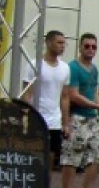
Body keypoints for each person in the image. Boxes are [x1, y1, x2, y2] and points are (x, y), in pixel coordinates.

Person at [59, 33, 99, 188]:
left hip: (93, 118)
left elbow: (93, 91)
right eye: (87, 46)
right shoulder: (73, 68)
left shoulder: (94, 69)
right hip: (77, 117)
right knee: (72, 158)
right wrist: (98, 106)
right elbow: (74, 96)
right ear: (80, 47)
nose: (90, 50)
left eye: (94, 47)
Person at [18, 29, 71, 171]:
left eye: (64, 43)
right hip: (37, 119)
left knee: (49, 159)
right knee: (33, 157)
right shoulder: (34, 64)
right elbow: (27, 94)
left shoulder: (65, 68)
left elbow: (65, 97)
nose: (63, 46)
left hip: (55, 121)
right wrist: (28, 118)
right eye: (59, 42)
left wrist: (66, 123)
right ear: (48, 43)